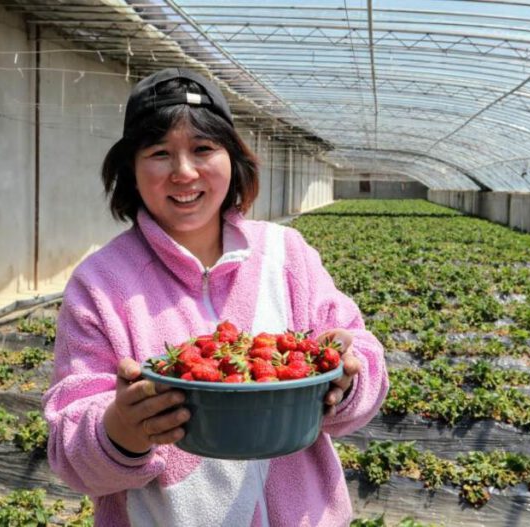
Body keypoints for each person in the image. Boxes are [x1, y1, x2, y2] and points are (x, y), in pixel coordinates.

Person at [42, 67, 389, 526]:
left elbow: (363, 356)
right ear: (131, 168)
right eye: (159, 153)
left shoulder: (286, 256)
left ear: (233, 157)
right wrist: (120, 429)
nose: (184, 172)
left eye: (203, 149)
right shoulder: (102, 284)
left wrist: (347, 380)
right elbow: (71, 449)